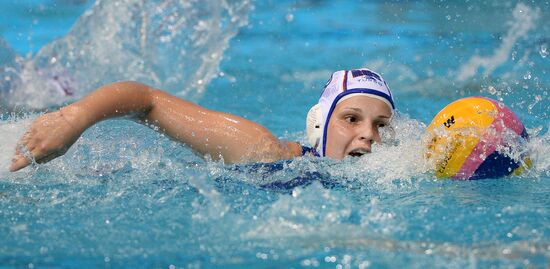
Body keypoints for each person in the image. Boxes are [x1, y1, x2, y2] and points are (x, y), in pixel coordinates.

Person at [9, 68, 395, 172]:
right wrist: (71, 117)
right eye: (351, 118)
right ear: (319, 125)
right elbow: (146, 101)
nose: (367, 135)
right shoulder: (267, 153)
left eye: (381, 125)